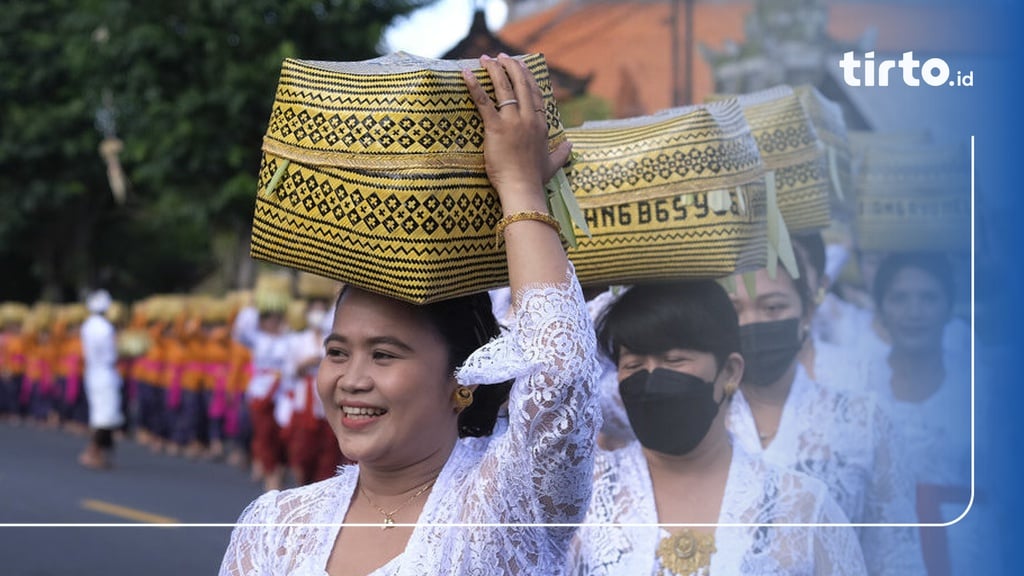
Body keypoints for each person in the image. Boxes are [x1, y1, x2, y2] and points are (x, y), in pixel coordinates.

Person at [220, 53, 599, 576]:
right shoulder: (273, 527)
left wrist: (519, 186)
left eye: (383, 354)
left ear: (461, 380)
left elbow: (559, 380)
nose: (351, 380)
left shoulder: (505, 509)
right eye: (337, 352)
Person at [573, 280, 866, 575]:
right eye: (634, 366)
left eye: (674, 360)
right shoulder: (582, 497)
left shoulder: (801, 508)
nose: (651, 379)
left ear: (730, 372)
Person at [726, 262, 925, 575]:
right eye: (734, 309)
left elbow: (895, 556)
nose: (751, 322)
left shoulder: (863, 422)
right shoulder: (697, 422)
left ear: (805, 314)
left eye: (773, 307)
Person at [864, 253, 983, 575]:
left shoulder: (982, 387)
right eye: (899, 298)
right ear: (881, 310)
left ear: (948, 308)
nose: (914, 313)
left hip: (972, 548)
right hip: (881, 548)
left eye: (929, 298)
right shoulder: (857, 387)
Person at [78, 290, 125, 469]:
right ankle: (92, 451)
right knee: (105, 417)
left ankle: (103, 454)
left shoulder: (88, 325)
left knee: (104, 415)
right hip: (104, 373)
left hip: (92, 373)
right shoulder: (105, 328)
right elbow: (111, 355)